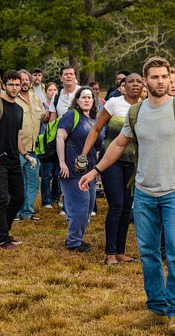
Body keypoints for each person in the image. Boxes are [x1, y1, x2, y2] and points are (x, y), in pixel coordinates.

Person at [79, 57, 175, 335]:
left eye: (164, 77)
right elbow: (119, 144)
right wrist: (95, 171)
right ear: (145, 81)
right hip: (143, 193)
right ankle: (156, 309)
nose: (160, 81)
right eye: (154, 77)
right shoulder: (136, 113)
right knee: (148, 253)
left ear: (170, 79)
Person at [80, 73, 142, 263]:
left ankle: (121, 252)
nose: (134, 85)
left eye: (139, 81)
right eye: (130, 81)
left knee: (126, 207)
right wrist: (84, 154)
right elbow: (96, 129)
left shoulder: (146, 106)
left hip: (133, 162)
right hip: (111, 160)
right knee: (116, 205)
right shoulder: (114, 103)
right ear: (123, 86)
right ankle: (110, 254)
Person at [0, 70, 36, 250]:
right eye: (11, 84)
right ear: (4, 85)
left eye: (17, 84)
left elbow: (15, 135)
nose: (14, 88)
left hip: (14, 160)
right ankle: (1, 238)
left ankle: (5, 231)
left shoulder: (18, 109)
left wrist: (25, 154)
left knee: (18, 198)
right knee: (2, 198)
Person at [57, 87, 103, 252]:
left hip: (89, 172)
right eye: (83, 97)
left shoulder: (94, 121)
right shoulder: (71, 116)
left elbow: (97, 149)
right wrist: (62, 162)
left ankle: (76, 238)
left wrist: (96, 171)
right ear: (77, 100)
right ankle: (74, 242)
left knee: (89, 207)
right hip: (71, 170)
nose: (87, 100)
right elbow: (60, 137)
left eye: (90, 97)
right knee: (81, 207)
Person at [15, 69, 45, 221]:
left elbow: (44, 118)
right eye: (22, 80)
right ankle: (16, 212)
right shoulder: (13, 99)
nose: (25, 82)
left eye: (27, 79)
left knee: (33, 183)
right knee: (18, 183)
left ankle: (27, 211)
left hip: (34, 150)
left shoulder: (36, 98)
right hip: (17, 149)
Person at [39, 82, 61, 209]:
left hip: (58, 141)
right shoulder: (42, 106)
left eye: (54, 90)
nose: (52, 92)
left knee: (57, 173)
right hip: (47, 142)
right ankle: (46, 200)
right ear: (46, 92)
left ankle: (56, 198)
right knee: (47, 173)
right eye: (50, 90)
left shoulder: (59, 104)